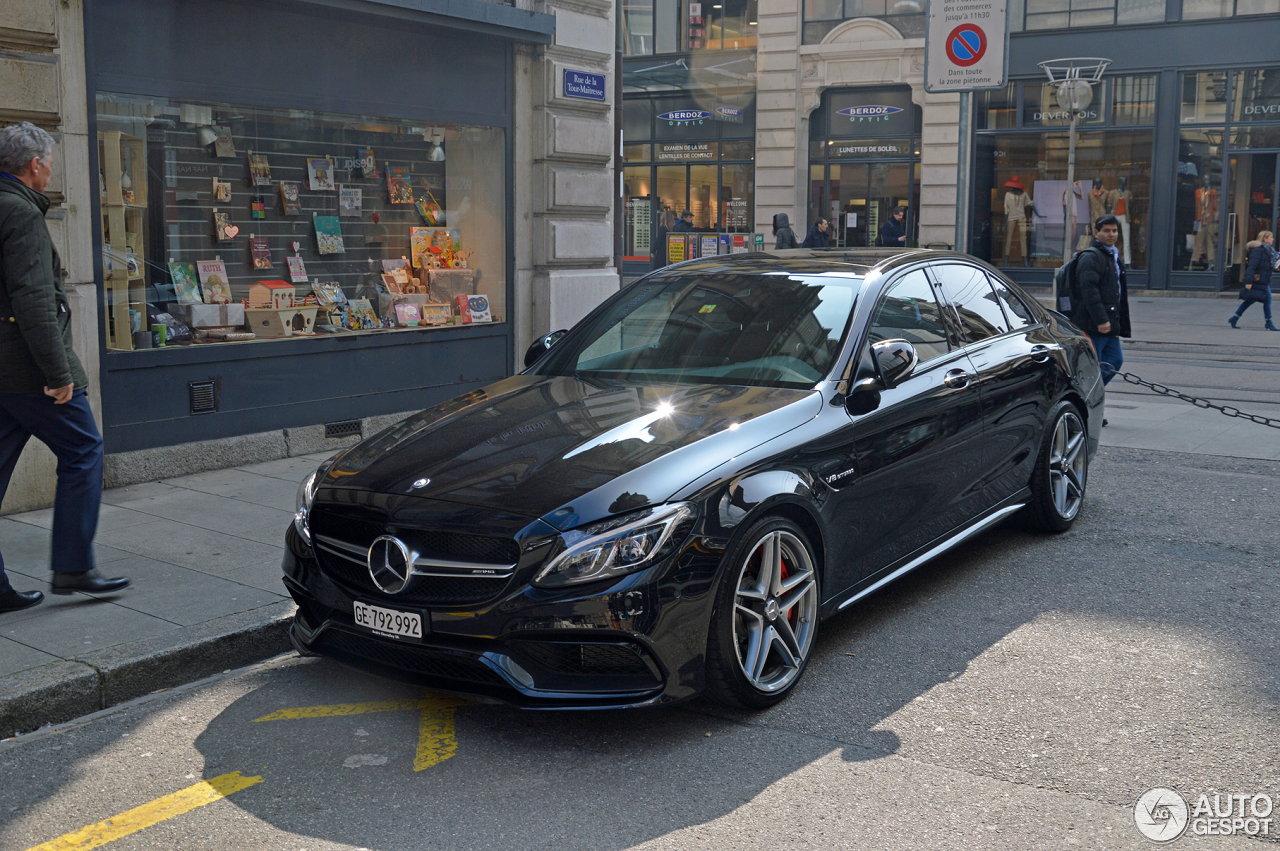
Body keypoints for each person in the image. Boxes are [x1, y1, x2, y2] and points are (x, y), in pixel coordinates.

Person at [0, 121, 129, 614]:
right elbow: (33, 300)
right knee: (83, 448)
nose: (51, 170)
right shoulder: (20, 214)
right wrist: (59, 374)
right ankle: (74, 565)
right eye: (50, 162)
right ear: (35, 165)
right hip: (27, 370)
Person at [1070, 214, 1131, 390]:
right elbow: (1089, 291)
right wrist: (1101, 319)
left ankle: (1089, 396)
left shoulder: (1113, 258)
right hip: (1095, 324)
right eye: (1106, 231)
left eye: (1114, 230)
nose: (1111, 234)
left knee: (1114, 360)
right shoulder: (1092, 257)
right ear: (1096, 233)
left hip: (1109, 323)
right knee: (1093, 365)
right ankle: (1086, 398)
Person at [1230, 230, 1278, 331]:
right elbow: (1251, 266)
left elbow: (1267, 265)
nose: (1273, 239)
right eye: (1271, 237)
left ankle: (1234, 318)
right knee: (1268, 300)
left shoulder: (1268, 250)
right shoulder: (1259, 250)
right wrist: (1248, 282)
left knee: (1250, 300)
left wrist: (1275, 267)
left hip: (1263, 280)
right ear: (1264, 238)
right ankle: (1268, 323)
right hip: (1258, 280)